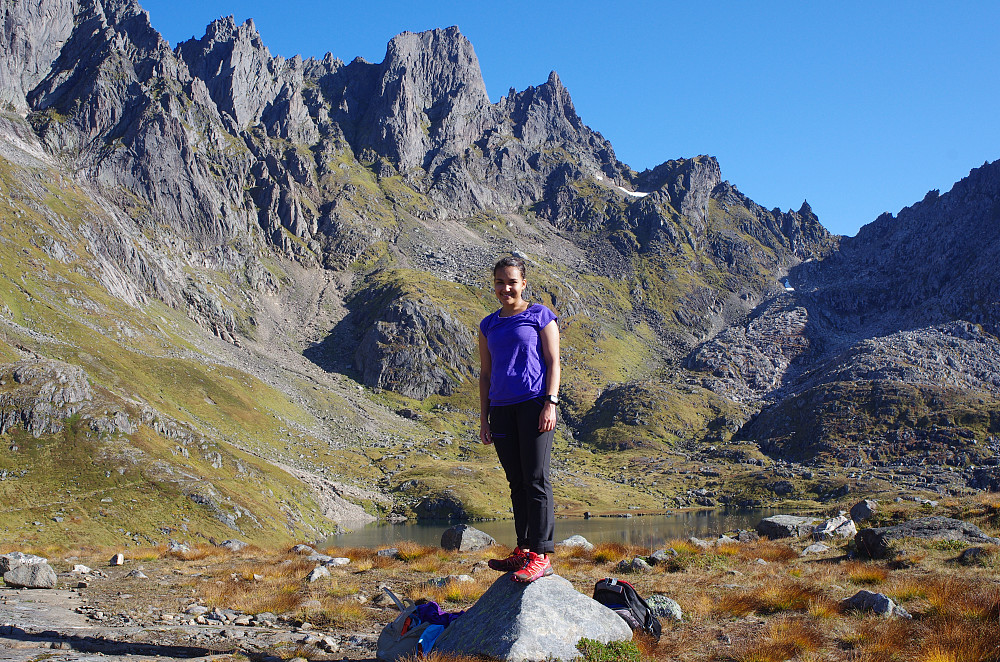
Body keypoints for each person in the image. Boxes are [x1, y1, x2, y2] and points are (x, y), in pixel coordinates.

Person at [478, 255, 560, 583]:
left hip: (533, 404)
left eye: (512, 282)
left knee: (536, 478)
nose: (506, 288)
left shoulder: (540, 315)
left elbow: (553, 362)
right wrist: (484, 419)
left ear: (523, 283)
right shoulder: (488, 325)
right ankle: (524, 549)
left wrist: (550, 403)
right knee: (517, 483)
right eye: (500, 282)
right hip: (500, 410)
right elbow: (485, 374)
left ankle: (541, 555)